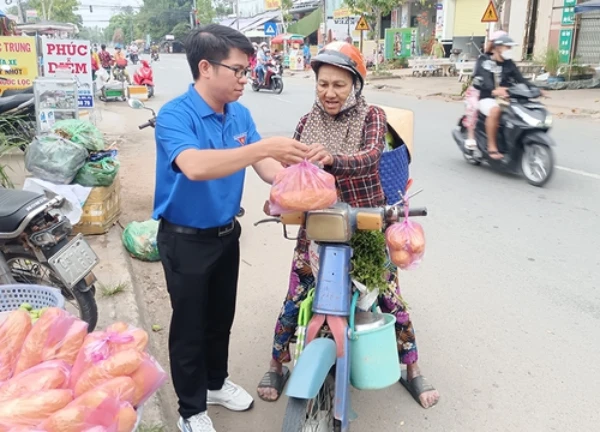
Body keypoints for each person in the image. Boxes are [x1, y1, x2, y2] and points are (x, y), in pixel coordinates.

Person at [256, 41, 440, 410]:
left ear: (355, 84)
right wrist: (281, 196)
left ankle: (413, 369)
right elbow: (294, 173)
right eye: (323, 84)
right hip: (318, 224)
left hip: (366, 220)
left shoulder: (372, 117)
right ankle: (278, 362)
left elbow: (370, 157)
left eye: (339, 85)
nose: (330, 93)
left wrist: (333, 159)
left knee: (390, 297)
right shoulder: (306, 123)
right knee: (296, 294)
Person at [153, 24, 310, 432]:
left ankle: (216, 383)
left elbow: (266, 167)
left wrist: (303, 180)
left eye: (248, 70)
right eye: (238, 70)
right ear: (206, 67)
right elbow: (195, 165)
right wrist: (261, 147)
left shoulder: (240, 113)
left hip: (226, 234)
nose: (245, 78)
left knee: (221, 317)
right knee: (189, 327)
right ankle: (191, 410)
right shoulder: (175, 115)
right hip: (184, 239)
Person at [472, 33, 532, 160]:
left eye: (510, 48)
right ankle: (492, 146)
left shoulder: (509, 63)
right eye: (507, 47)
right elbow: (484, 79)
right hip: (487, 98)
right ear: (498, 47)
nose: (509, 50)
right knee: (495, 111)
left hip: (507, 98)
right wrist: (494, 90)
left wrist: (535, 88)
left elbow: (521, 79)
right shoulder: (485, 60)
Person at [464, 30, 507, 151]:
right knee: (473, 107)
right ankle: (471, 136)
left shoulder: (505, 62)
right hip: (480, 92)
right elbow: (480, 76)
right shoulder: (483, 59)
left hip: (499, 95)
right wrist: (493, 89)